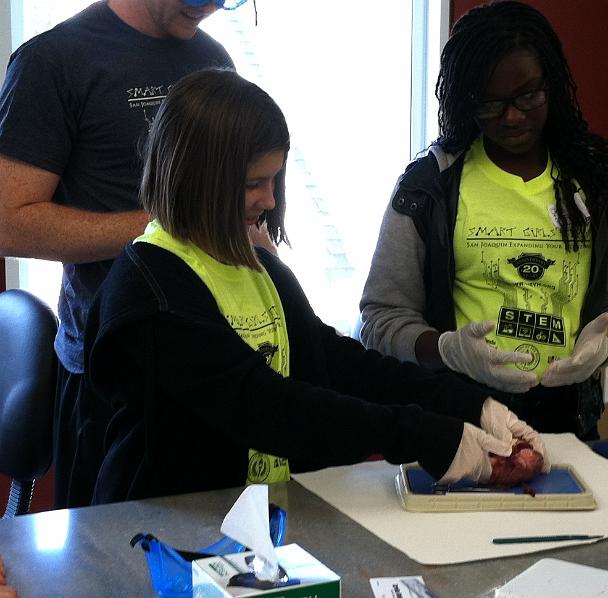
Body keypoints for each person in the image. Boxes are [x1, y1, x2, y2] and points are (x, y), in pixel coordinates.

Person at [74, 68, 548, 504]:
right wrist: (429, 437)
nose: (270, 199)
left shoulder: (256, 266)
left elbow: (338, 362)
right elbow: (269, 408)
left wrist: (469, 404)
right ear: (197, 180)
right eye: (251, 184)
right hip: (158, 528)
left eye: (275, 179)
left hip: (255, 516)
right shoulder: (149, 293)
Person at [359, 0, 608, 438]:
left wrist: (605, 346)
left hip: (569, 423)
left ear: (552, 86)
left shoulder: (600, 184)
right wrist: (447, 349)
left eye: (528, 96)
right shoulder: (430, 187)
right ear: (465, 99)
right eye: (490, 104)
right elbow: (379, 320)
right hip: (457, 420)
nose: (512, 117)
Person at [0, 0, 251, 508]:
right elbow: (9, 221)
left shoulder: (214, 60)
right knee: (104, 569)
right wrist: (164, 228)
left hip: (210, 364)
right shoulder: (55, 61)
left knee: (215, 570)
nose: (212, 9)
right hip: (107, 375)